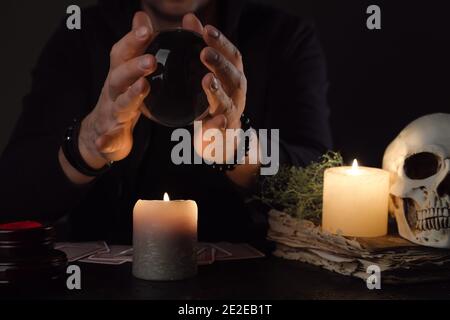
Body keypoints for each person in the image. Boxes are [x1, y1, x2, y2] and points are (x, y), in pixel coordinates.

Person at [0, 0, 332, 244]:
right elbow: (12, 200)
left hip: (247, 287)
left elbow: (320, 193)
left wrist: (238, 149)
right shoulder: (82, 35)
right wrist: (89, 144)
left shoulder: (285, 37)